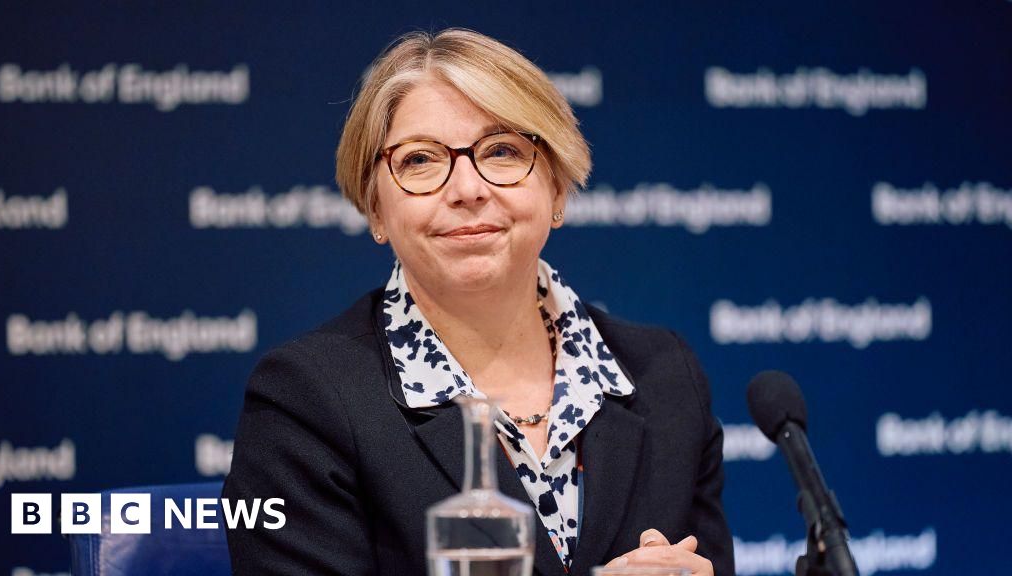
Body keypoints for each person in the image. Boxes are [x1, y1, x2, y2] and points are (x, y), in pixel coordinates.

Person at [223, 28, 733, 576]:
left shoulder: (665, 378)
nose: (467, 188)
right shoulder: (305, 401)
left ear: (557, 188)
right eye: (420, 160)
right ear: (375, 207)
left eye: (503, 151)